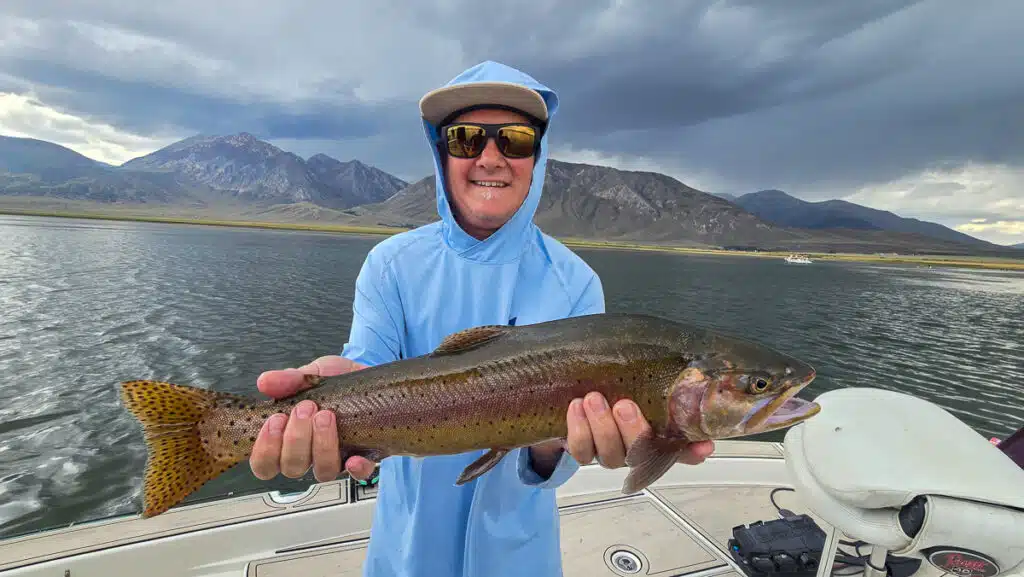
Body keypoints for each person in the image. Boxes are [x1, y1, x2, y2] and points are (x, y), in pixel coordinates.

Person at [248, 60, 716, 577]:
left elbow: (559, 457)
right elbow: (365, 367)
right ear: (441, 153)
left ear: (537, 157)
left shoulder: (576, 282)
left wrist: (552, 446)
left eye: (515, 140)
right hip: (406, 548)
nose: (490, 158)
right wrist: (323, 407)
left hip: (519, 554)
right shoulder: (391, 263)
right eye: (466, 139)